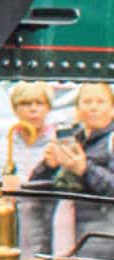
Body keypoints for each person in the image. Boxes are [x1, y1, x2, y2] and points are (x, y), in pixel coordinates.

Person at [0, 80, 62, 259]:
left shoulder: (57, 146)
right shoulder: (0, 146)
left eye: (39, 103)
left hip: (45, 229)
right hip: (7, 230)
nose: (33, 109)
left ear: (48, 108)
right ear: (15, 109)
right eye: (26, 103)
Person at [47, 80, 114, 249]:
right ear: (78, 108)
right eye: (87, 101)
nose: (93, 107)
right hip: (66, 230)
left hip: (102, 236)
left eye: (100, 101)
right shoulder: (75, 137)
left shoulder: (111, 140)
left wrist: (85, 169)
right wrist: (48, 165)